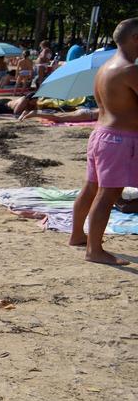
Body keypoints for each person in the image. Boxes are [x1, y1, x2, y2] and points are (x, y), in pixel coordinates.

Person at [70, 18, 138, 265]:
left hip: (102, 135)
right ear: (135, 39)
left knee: (91, 188)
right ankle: (94, 250)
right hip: (119, 139)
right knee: (108, 194)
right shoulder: (129, 70)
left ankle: (78, 235)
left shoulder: (106, 67)